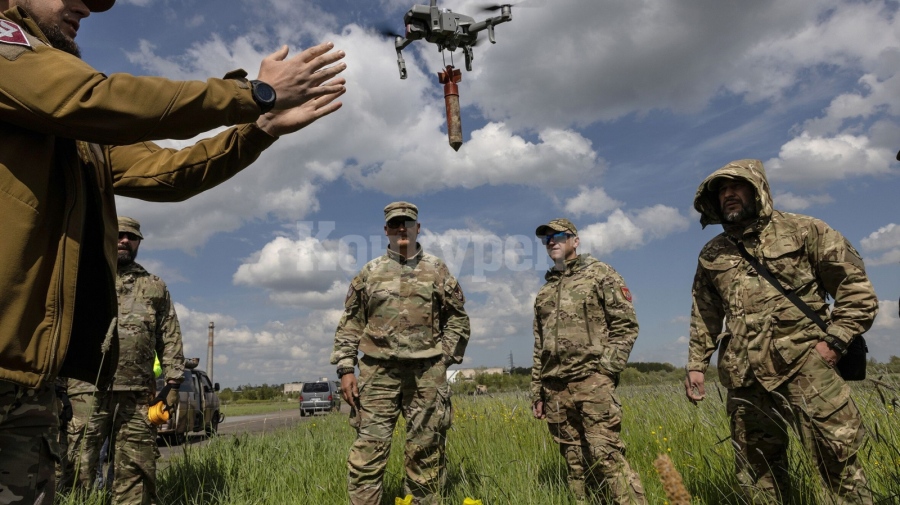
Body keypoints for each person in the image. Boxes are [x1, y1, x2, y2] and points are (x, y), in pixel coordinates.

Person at [0, 0, 347, 502]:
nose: (87, 8)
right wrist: (253, 93)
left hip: (29, 387)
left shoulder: (73, 130)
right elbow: (93, 97)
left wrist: (260, 128)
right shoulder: (13, 53)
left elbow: (168, 172)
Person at [684, 159, 878, 504]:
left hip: (807, 367)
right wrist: (697, 364)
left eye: (736, 186)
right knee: (758, 475)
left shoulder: (804, 230)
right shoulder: (712, 253)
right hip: (745, 377)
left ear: (757, 189)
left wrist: (834, 343)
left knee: (839, 465)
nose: (728, 194)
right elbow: (705, 313)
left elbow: (856, 289)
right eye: (721, 190)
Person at [331, 202, 470, 505]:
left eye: (407, 223)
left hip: (425, 376)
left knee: (426, 451)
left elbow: (458, 318)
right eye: (395, 224)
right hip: (377, 376)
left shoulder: (437, 269)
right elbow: (351, 323)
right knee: (368, 454)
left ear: (417, 228)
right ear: (386, 231)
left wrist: (443, 358)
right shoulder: (370, 273)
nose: (402, 229)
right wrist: (345, 369)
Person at [531, 218, 647, 505]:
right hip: (555, 389)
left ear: (575, 241)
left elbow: (626, 326)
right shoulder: (545, 292)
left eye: (559, 235)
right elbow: (539, 346)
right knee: (576, 465)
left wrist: (605, 371)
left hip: (591, 382)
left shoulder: (600, 274)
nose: (552, 241)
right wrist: (537, 390)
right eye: (547, 239)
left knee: (606, 457)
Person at [75, 217, 184, 504]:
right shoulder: (85, 277)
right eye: (119, 234)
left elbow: (168, 334)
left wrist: (173, 382)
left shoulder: (154, 286)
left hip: (137, 392)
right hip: (87, 386)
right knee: (78, 459)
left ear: (138, 243)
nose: (124, 240)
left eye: (131, 237)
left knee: (136, 462)